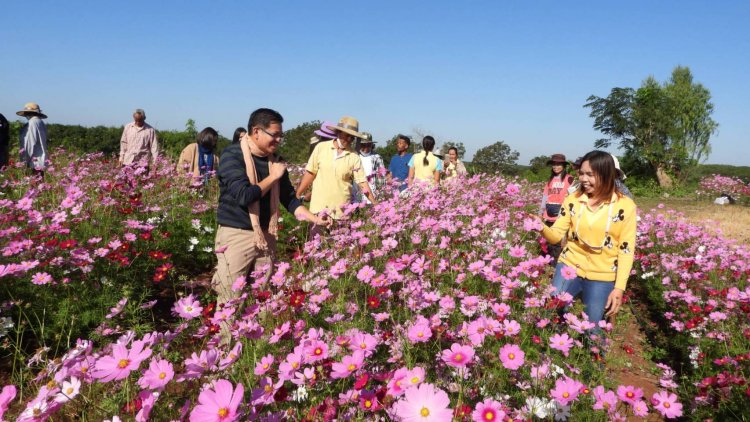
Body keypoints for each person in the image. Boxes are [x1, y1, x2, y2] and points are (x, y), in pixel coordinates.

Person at [213, 108, 328, 341]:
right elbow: (244, 195)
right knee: (229, 299)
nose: (278, 139)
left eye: (280, 135)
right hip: (236, 236)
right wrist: (273, 177)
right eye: (274, 134)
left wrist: (315, 218)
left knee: (264, 299)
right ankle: (225, 356)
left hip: (266, 236)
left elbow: (289, 199)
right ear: (256, 131)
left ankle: (256, 352)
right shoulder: (232, 156)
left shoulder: (276, 161)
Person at [529, 150, 636, 331]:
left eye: (590, 175)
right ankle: (552, 348)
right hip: (569, 265)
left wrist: (619, 288)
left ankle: (595, 355)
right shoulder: (573, 199)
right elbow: (556, 235)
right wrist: (541, 227)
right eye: (581, 173)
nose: (584, 179)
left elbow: (626, 250)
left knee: (592, 327)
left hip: (602, 275)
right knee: (551, 310)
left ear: (606, 174)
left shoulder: (625, 206)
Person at [296, 116, 376, 222]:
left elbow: (362, 182)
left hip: (341, 211)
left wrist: (375, 203)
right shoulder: (321, 147)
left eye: (352, 137)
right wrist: (298, 194)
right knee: (318, 237)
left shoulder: (354, 156)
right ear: (338, 132)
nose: (349, 139)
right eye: (347, 136)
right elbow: (310, 173)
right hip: (319, 209)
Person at [540, 154, 575, 264]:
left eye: (558, 164)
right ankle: (548, 262)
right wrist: (540, 213)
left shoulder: (569, 179)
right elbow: (545, 197)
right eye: (554, 164)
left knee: (558, 242)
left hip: (561, 216)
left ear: (564, 166)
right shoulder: (550, 180)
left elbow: (572, 197)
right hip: (548, 215)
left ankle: (556, 264)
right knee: (548, 240)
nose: (556, 166)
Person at [16, 103, 48, 174]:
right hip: (41, 161)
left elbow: (29, 143)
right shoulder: (40, 122)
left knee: (34, 183)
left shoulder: (32, 123)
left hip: (33, 163)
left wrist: (24, 161)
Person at [353, 132, 384, 204]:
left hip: (372, 197)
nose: (366, 148)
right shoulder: (354, 156)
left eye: (368, 145)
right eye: (363, 145)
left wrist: (380, 195)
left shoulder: (377, 157)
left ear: (372, 145)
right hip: (356, 196)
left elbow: (381, 178)